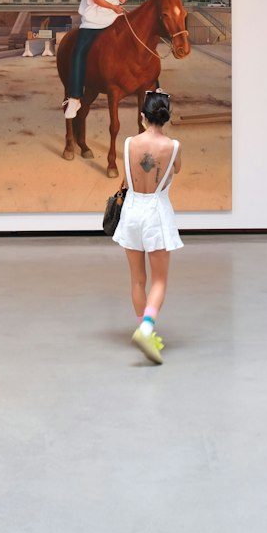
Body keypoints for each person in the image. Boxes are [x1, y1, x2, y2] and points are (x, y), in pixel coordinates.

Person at [112, 90, 182, 365]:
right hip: (156, 212)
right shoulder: (174, 147)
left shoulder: (129, 143)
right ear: (165, 118)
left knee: (137, 280)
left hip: (131, 211)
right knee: (160, 280)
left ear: (143, 117)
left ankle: (146, 331)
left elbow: (127, 176)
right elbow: (176, 170)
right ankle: (146, 329)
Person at [63, 0, 129, 119]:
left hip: (116, 20)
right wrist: (113, 7)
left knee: (140, 45)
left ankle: (155, 98)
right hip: (93, 22)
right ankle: (75, 97)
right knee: (78, 53)